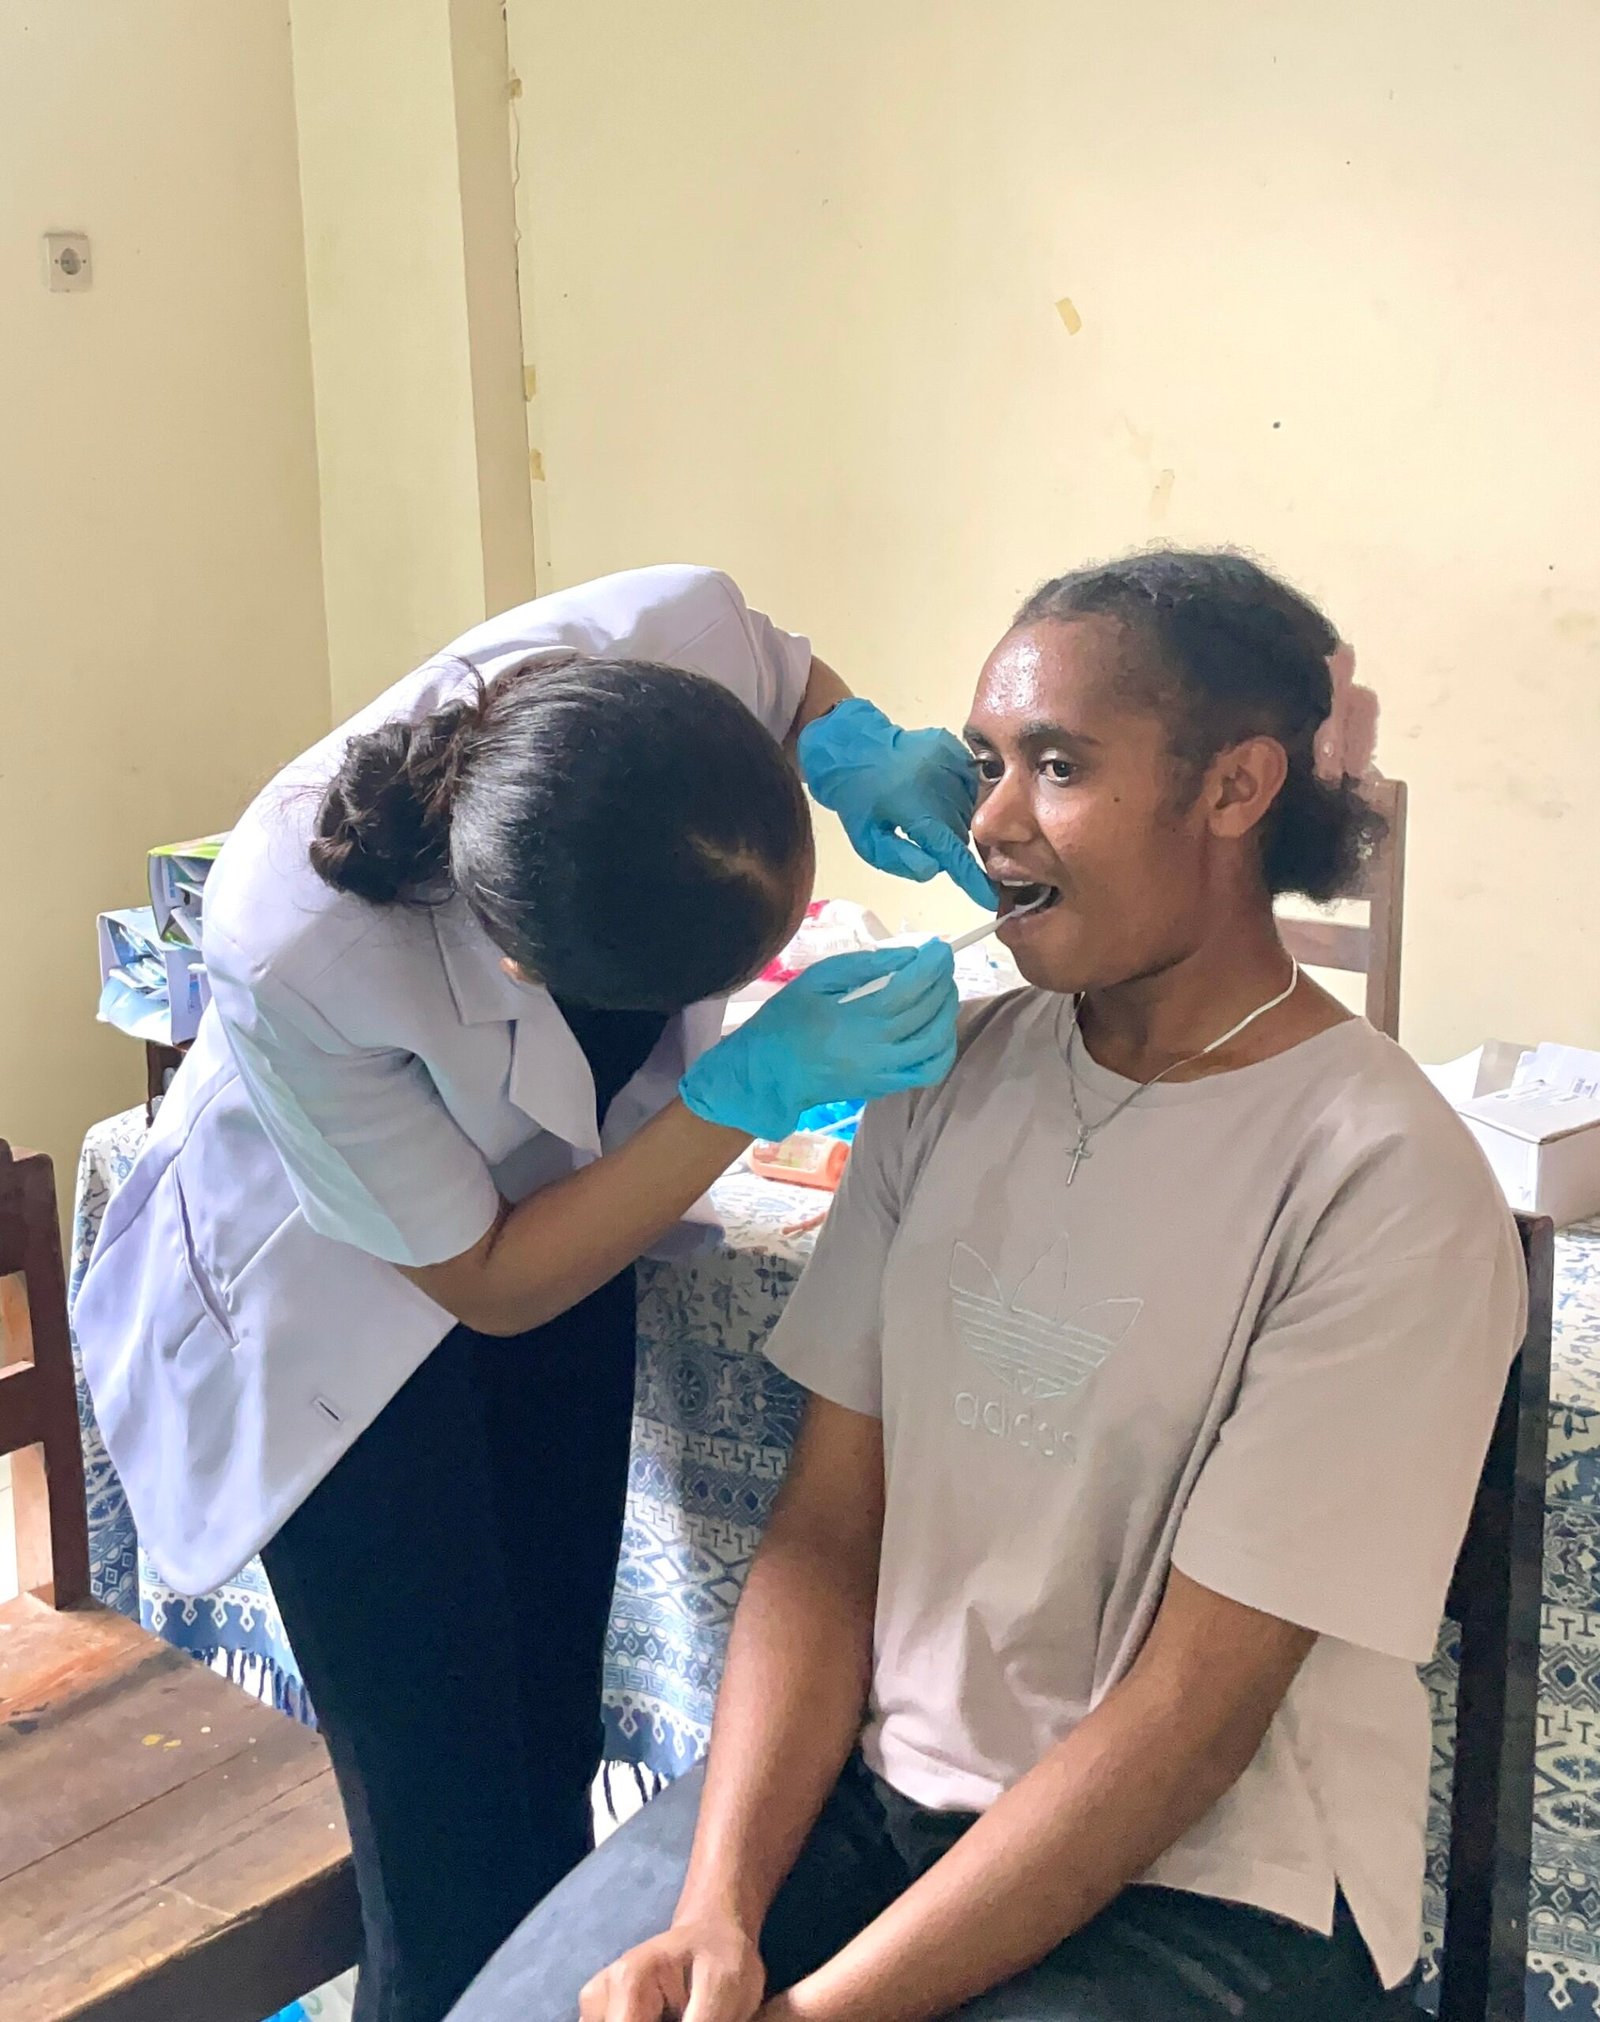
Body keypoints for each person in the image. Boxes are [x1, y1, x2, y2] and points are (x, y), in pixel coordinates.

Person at [447, 549, 1527, 2022]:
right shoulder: (947, 1075)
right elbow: (826, 1535)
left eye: (1058, 767)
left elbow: (1195, 1717)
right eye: (986, 764)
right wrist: (717, 1913)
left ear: (1235, 787)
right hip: (881, 1787)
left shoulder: (1384, 1179)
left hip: (1209, 1879)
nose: (992, 822)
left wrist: (813, 2013)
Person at [75, 564, 997, 2022]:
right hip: (344, 1312)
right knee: (447, 1843)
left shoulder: (668, 640)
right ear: (524, 959)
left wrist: (846, 741)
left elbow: (778, 672)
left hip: (572, 1230)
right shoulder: (296, 946)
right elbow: (490, 1280)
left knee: (549, 1745)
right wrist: (740, 1094)